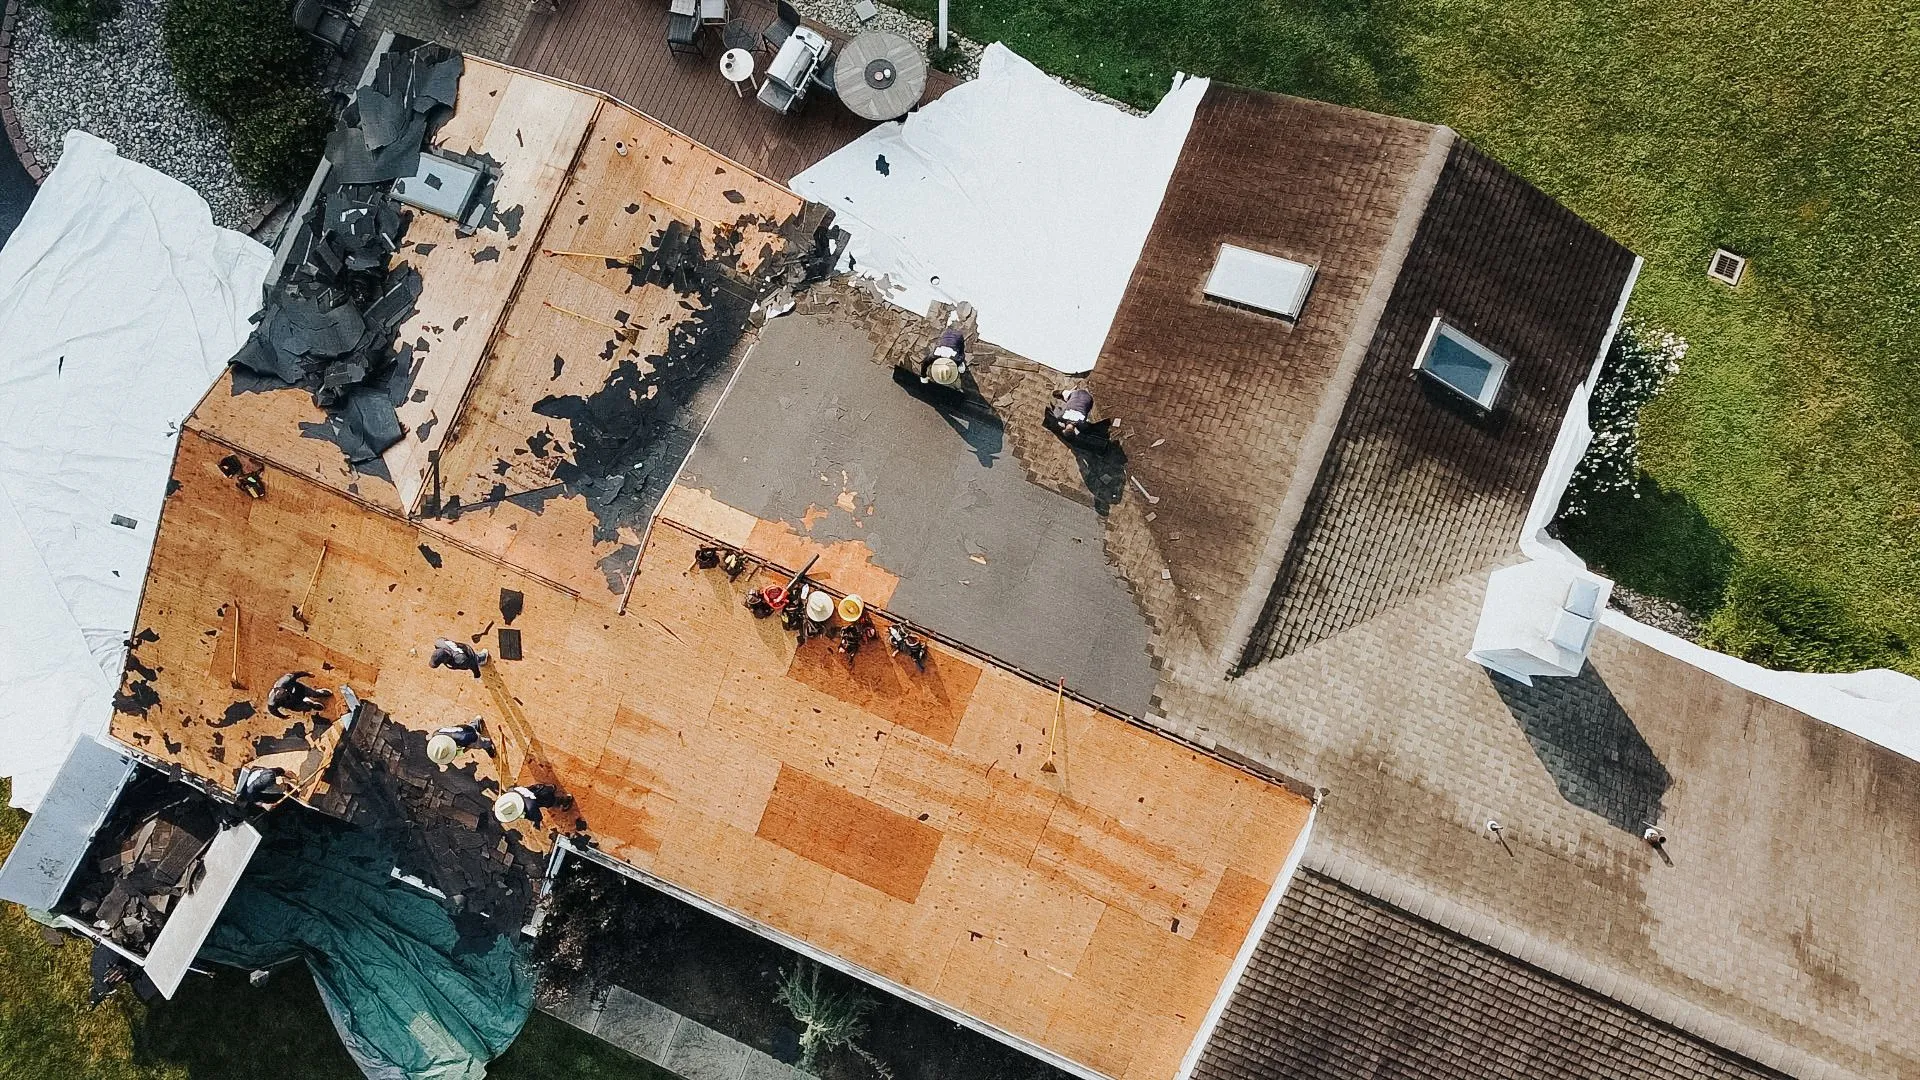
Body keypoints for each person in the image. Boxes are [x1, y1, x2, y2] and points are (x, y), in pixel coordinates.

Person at [1043, 386, 1115, 441]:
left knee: (1083, 409)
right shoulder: (1062, 416)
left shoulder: (1082, 424)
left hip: (1088, 399)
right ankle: (1061, 392)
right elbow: (1056, 409)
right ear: (1065, 429)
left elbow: (1088, 429)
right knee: (1070, 399)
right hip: (1076, 393)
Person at [493, 783, 572, 826]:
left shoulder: (530, 808)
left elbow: (538, 817)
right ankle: (550, 788)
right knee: (538, 790)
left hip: (540, 798)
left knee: (549, 801)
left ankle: (564, 801)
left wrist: (525, 816)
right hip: (536, 788)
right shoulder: (511, 790)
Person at [427, 719, 494, 766]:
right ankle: (476, 722)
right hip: (462, 729)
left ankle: (488, 744)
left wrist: (461, 751)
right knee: (470, 727)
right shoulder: (436, 734)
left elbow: (466, 746)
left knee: (479, 743)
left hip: (470, 736)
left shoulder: (465, 739)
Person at [267, 671, 331, 718]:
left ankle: (319, 692)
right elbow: (273, 711)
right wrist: (282, 716)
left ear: (285, 690)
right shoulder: (272, 702)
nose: (287, 696)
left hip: (300, 690)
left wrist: (307, 674)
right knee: (306, 708)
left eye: (286, 695)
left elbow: (296, 674)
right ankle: (312, 705)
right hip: (292, 703)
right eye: (284, 697)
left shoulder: (285, 680)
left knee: (314, 694)